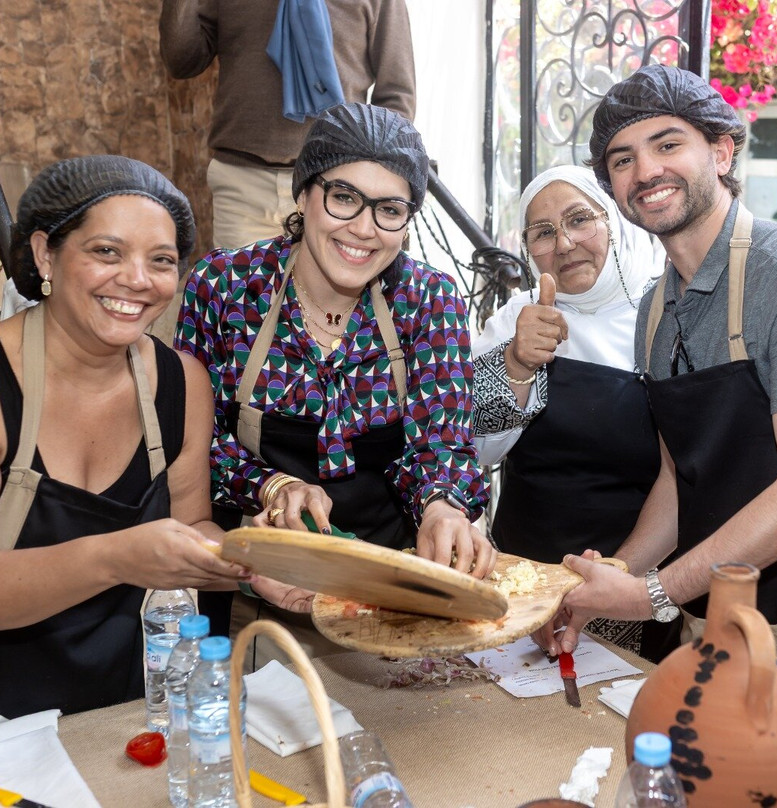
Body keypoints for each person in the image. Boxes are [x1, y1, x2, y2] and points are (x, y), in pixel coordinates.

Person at [538, 64, 777, 753]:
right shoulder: (656, 311)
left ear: (722, 152)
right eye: (623, 160)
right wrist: (613, 583)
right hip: (709, 624)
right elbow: (677, 478)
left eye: (668, 145)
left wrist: (652, 594)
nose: (646, 171)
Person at [175, 103, 494, 583]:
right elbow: (193, 445)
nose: (364, 230)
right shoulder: (225, 286)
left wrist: (441, 507)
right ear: (303, 194)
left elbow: (441, 445)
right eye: (344, 198)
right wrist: (272, 486)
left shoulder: (429, 298)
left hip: (394, 583)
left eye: (389, 210)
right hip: (253, 575)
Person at [0, 155, 255, 718]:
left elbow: (191, 524)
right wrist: (116, 558)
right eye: (107, 252)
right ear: (46, 253)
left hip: (132, 711)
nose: (138, 280)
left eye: (161, 260)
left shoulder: (182, 382)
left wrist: (254, 563)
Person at [472, 165, 662, 562]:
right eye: (542, 232)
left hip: (633, 578)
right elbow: (474, 451)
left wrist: (620, 578)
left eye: (579, 220)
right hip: (523, 575)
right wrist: (517, 364)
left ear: (615, 222)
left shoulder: (664, 313)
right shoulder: (515, 319)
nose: (563, 243)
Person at [159, 0, 416, 249]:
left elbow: (397, 97)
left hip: (336, 184)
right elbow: (183, 61)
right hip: (243, 182)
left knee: (331, 293)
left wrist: (365, 184)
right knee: (243, 292)